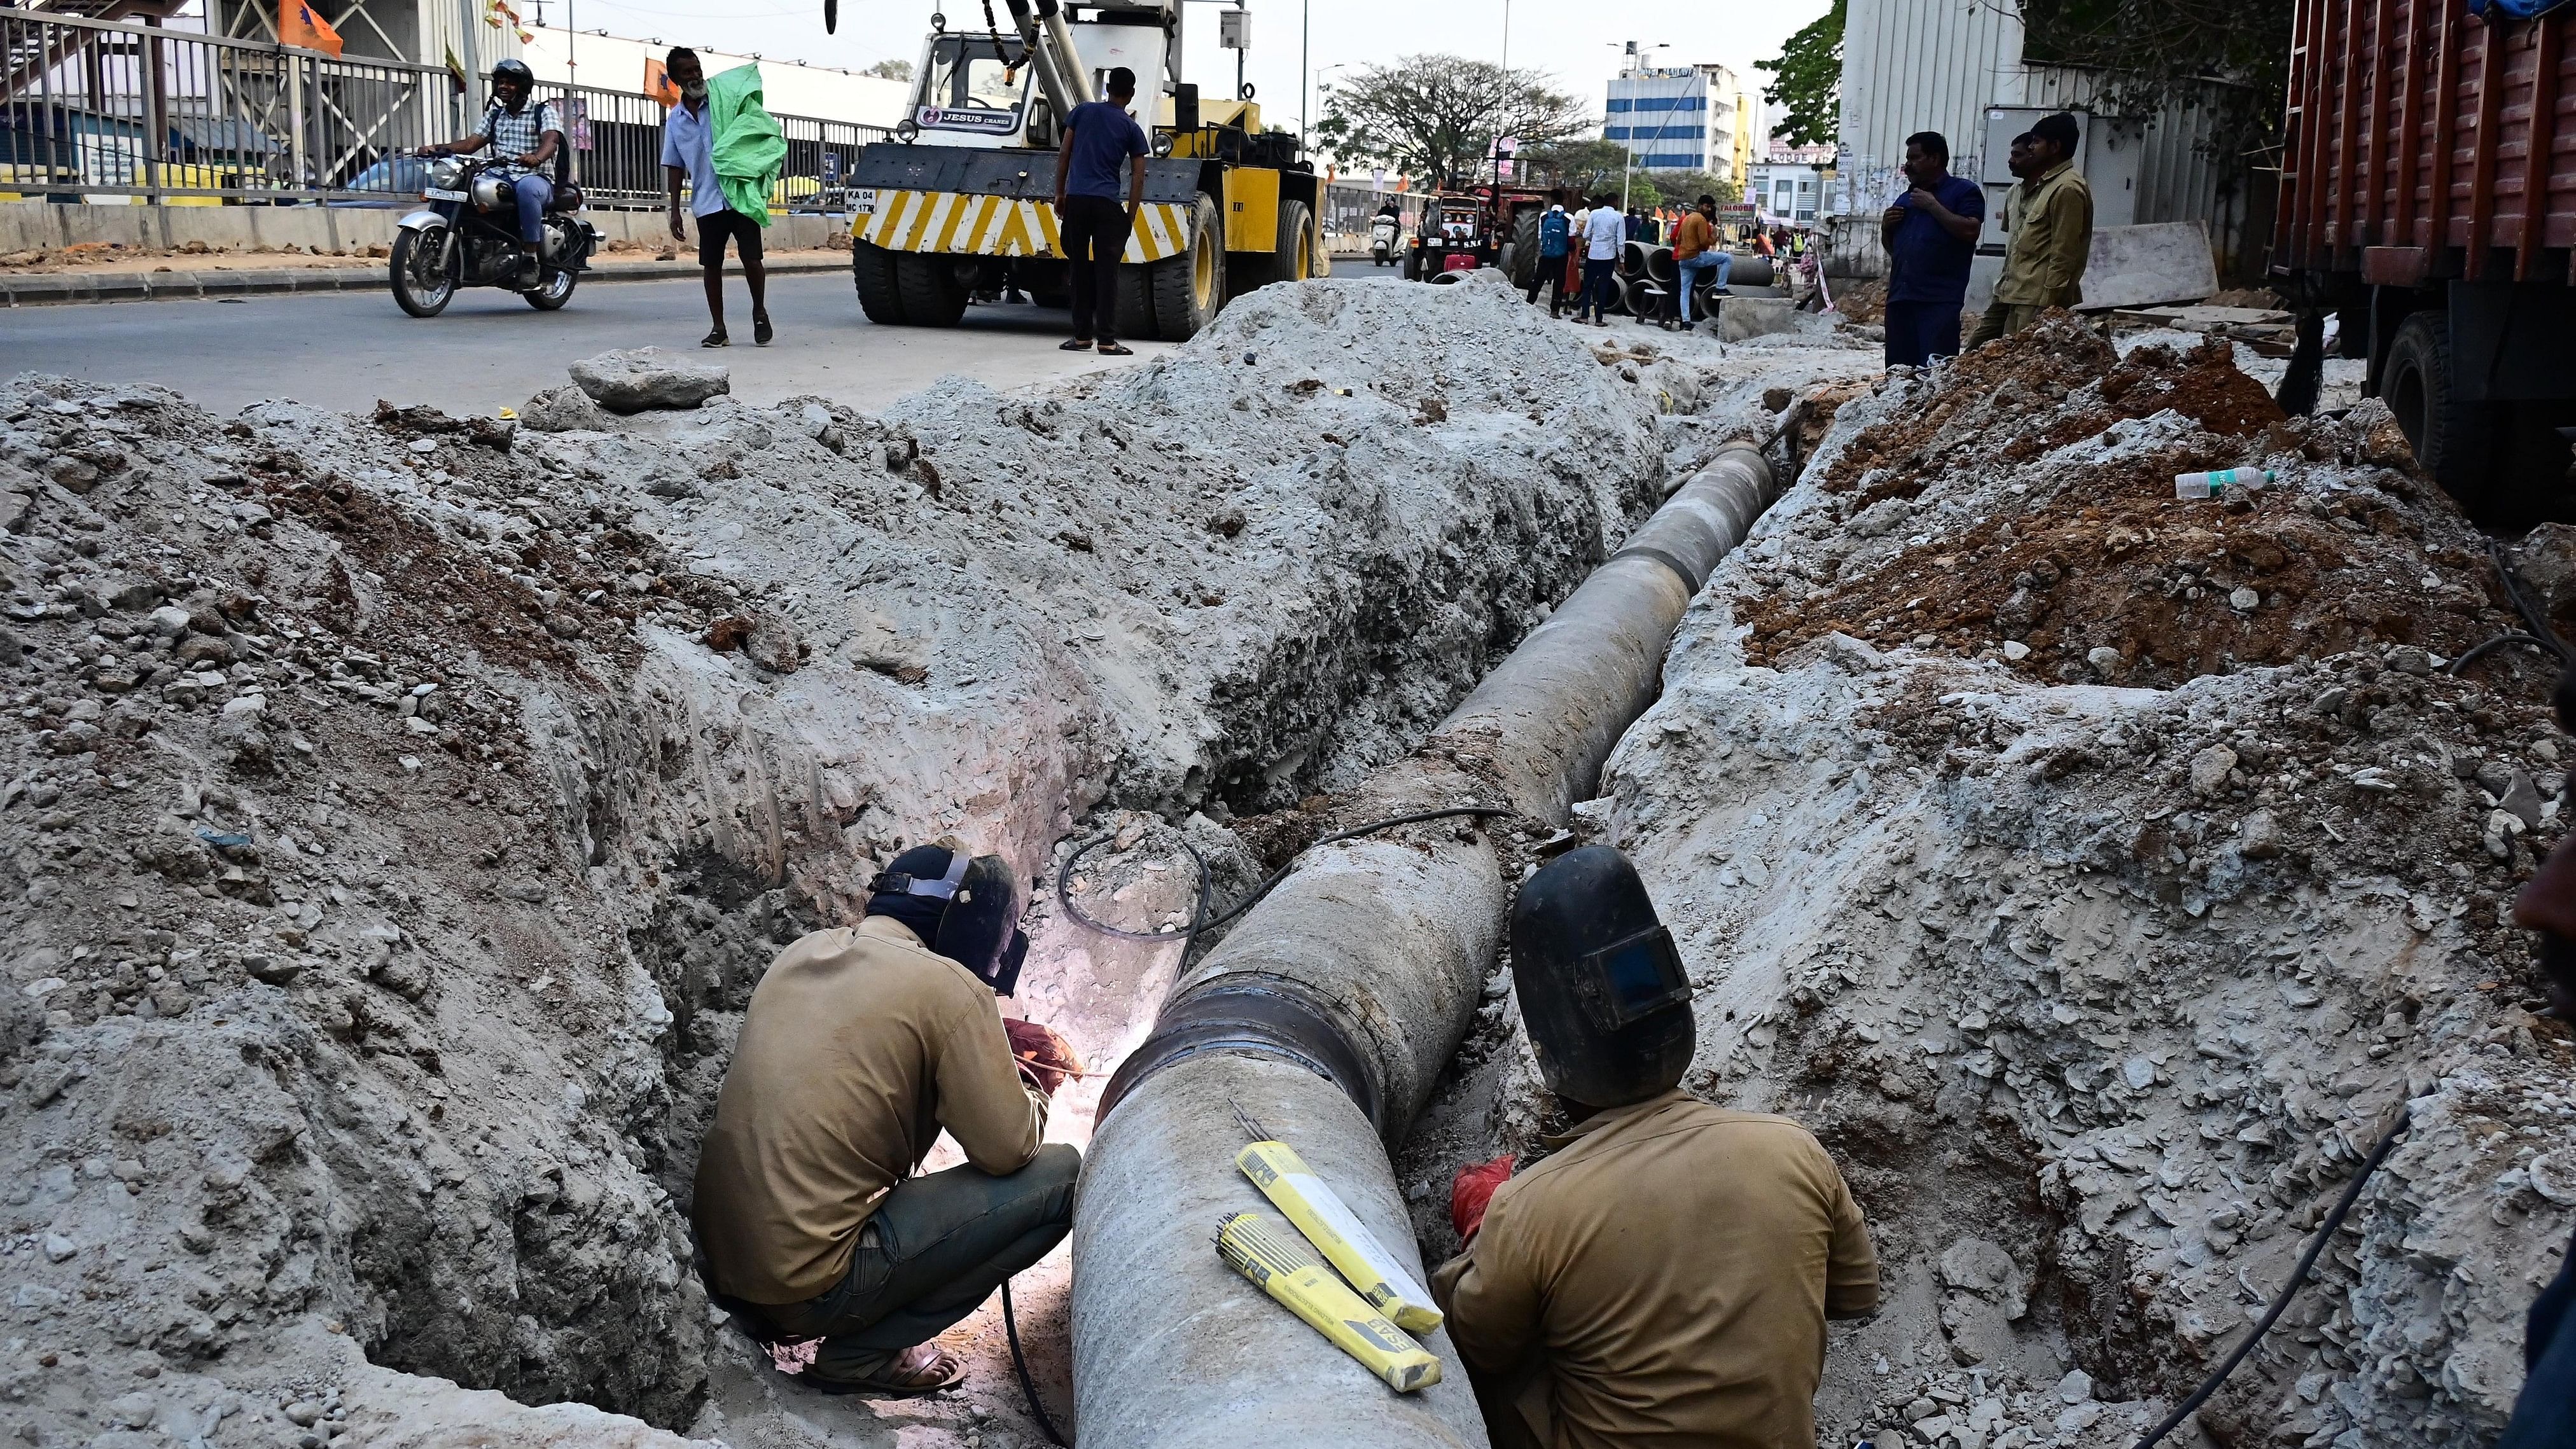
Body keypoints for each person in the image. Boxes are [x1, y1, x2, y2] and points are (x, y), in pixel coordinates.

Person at [1434, 847, 1879, 1449]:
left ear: (1551, 1044)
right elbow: (1853, 1295)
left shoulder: (1530, 1209)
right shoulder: (1792, 1149)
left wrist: (1485, 1238)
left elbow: (1472, 1346)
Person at [693, 843, 1083, 1395]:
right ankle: (862, 1356)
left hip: (726, 1262)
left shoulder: (802, 953)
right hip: (806, 1287)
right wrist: (1032, 1081)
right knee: (1063, 1174)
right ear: (973, 926)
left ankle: (784, 1314)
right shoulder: (952, 989)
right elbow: (1008, 1150)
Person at [659, 49, 773, 348]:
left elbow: (754, 128)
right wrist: (674, 212)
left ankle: (759, 313)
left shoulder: (726, 103)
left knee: (752, 258)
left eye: (697, 69)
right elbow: (674, 165)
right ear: (675, 79)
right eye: (687, 72)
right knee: (711, 265)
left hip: (739, 193)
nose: (696, 76)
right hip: (706, 200)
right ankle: (719, 328)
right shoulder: (676, 120)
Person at [422, 59, 559, 289]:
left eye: (511, 83)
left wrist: (537, 157)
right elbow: (470, 144)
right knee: (460, 186)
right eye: (501, 83)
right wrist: (437, 148)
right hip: (499, 175)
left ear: (523, 87)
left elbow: (551, 139)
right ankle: (453, 255)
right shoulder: (496, 115)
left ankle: (530, 258)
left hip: (535, 177)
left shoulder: (543, 111)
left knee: (526, 190)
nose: (504, 87)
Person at [1971, 112, 2092, 347]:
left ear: (2055, 147)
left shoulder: (2067, 188)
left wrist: (2048, 307)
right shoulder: (2038, 187)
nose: (2032, 147)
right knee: (1982, 352)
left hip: (2036, 300)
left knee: (2022, 361)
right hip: (2013, 292)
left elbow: (2064, 254)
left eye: (2036, 142)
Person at [1054, 66, 1151, 356]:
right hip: (1108, 204)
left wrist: (1060, 194)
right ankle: (1107, 341)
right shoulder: (1131, 128)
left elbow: (1064, 154)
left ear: (1107, 88)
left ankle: (1082, 336)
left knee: (1079, 268)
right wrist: (1130, 216)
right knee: (1107, 273)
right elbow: (1138, 175)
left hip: (1078, 200)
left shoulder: (1082, 112)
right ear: (1131, 94)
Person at [1877, 130, 1986, 370]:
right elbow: (1895, 250)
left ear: (1935, 159)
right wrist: (1886, 229)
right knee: (1898, 375)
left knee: (1933, 372)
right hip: (1900, 301)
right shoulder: (1905, 199)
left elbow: (1970, 231)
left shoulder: (1963, 192)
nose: (1908, 166)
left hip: (1937, 303)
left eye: (1914, 158)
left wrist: (1933, 206)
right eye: (1907, 160)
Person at [1671, 194, 1729, 330]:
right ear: (1700, 205)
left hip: (1682, 259)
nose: (1709, 209)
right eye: (1707, 206)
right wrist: (1713, 238)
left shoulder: (1687, 219)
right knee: (1727, 258)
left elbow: (1677, 238)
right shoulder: (1701, 220)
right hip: (1695, 256)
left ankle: (1686, 321)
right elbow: (1704, 245)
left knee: (1684, 292)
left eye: (1710, 207)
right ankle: (1720, 288)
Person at [1578, 195, 1625, 326]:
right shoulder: (1618, 217)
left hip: (1593, 255)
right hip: (1608, 256)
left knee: (1587, 286)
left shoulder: (1594, 214)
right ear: (1615, 202)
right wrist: (1621, 260)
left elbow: (1586, 235)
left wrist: (1597, 241)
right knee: (1603, 287)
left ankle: (1585, 316)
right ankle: (1599, 319)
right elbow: (1621, 242)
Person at [1526, 200, 1573, 314]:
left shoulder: (1544, 216)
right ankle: (1555, 311)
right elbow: (1571, 239)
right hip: (1562, 256)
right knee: (1559, 282)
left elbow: (1540, 236)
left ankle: (1529, 303)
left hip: (1546, 254)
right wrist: (1571, 251)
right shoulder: (1569, 217)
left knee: (1538, 279)